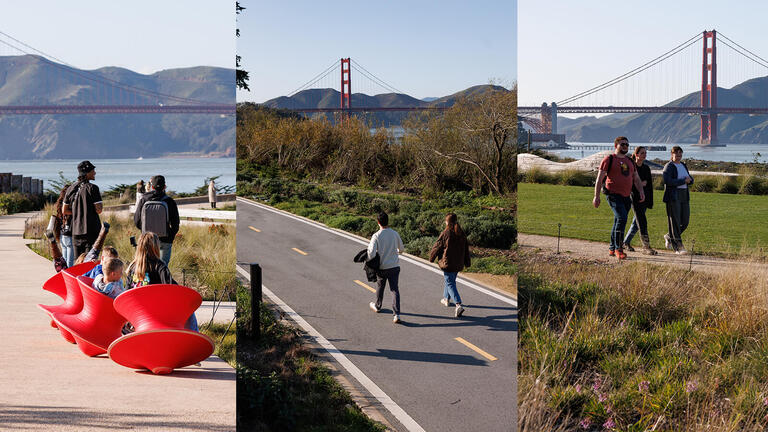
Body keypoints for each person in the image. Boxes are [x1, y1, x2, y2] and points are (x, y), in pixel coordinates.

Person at [126, 232, 197, 331]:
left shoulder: (132, 267)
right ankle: (192, 339)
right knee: (189, 309)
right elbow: (171, 288)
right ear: (155, 247)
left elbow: (126, 292)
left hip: (137, 313)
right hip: (155, 312)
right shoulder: (159, 266)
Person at [593, 137, 645, 260]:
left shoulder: (630, 161)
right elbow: (599, 179)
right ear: (616, 145)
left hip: (627, 196)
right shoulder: (609, 159)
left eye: (627, 144)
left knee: (618, 221)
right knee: (622, 218)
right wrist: (596, 196)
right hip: (613, 195)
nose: (625, 146)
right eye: (622, 144)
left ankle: (612, 248)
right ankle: (618, 248)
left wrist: (641, 191)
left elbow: (636, 178)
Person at [429, 213, 471, 317]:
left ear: (447, 222)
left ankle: (458, 305)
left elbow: (437, 246)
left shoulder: (446, 232)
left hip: (448, 263)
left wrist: (431, 257)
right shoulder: (461, 233)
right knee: (450, 281)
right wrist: (467, 262)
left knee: (450, 283)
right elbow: (466, 249)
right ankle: (446, 299)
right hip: (458, 263)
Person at [367, 212, 405, 324]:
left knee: (380, 286)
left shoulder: (376, 236)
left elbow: (371, 254)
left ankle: (378, 306)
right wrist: (396, 252)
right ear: (388, 221)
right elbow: (401, 248)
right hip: (394, 266)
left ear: (378, 222)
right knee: (394, 290)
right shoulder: (394, 234)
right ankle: (396, 314)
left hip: (382, 267)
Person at [134, 175, 180, 265]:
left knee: (146, 266)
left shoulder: (144, 199)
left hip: (148, 239)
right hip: (165, 239)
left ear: (152, 186)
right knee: (163, 267)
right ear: (164, 186)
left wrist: (144, 232)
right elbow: (175, 223)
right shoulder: (169, 201)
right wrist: (170, 236)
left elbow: (137, 221)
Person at [63, 161, 103, 258]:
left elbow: (64, 210)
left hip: (75, 231)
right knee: (90, 262)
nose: (95, 173)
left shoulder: (71, 188)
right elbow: (99, 210)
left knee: (78, 261)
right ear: (87, 172)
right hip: (91, 231)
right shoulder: (93, 188)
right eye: (93, 170)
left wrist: (77, 212)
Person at [622, 146, 657, 255]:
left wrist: (650, 201)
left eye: (645, 153)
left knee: (636, 223)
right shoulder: (631, 167)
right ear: (636, 155)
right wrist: (639, 184)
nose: (644, 155)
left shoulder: (646, 168)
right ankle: (646, 247)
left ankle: (625, 242)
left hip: (645, 198)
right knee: (641, 221)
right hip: (634, 198)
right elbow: (626, 181)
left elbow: (650, 185)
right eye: (642, 153)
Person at [662, 146, 694, 254]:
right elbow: (668, 181)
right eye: (676, 153)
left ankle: (669, 236)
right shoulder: (668, 166)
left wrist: (690, 180)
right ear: (672, 154)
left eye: (680, 153)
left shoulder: (683, 165)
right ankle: (678, 247)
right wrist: (683, 181)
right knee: (675, 221)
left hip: (684, 195)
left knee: (685, 221)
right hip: (673, 196)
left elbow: (689, 177)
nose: (679, 155)